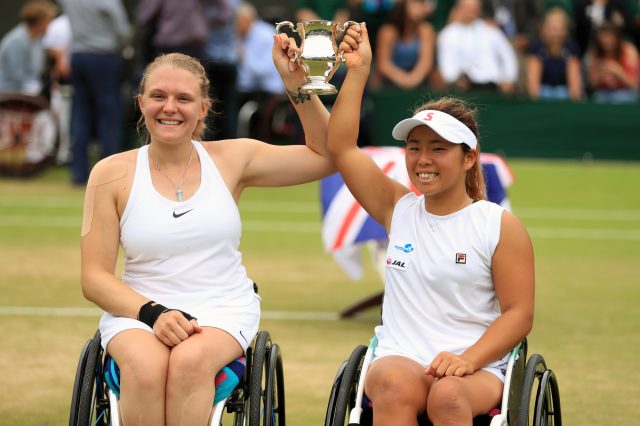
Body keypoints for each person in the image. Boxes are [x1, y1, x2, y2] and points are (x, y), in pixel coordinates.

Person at [79, 26, 347, 422]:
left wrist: (296, 83)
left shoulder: (232, 159)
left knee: (189, 363)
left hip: (221, 307)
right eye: (158, 96)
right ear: (141, 103)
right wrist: (152, 313)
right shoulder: (109, 173)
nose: (170, 107)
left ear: (203, 108)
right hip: (139, 311)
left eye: (183, 98)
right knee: (146, 368)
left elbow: (328, 154)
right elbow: (94, 278)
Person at [328, 23, 534, 424]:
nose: (423, 159)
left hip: (477, 368)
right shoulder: (397, 208)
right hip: (402, 357)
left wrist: (467, 359)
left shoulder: (498, 225)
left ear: (469, 157)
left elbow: (518, 314)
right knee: (389, 382)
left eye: (438, 149)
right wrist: (358, 72)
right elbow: (340, 148)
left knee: (448, 397)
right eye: (414, 147)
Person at [57, 0, 132, 185]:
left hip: (79, 57)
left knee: (81, 115)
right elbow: (122, 30)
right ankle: (110, 173)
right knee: (109, 115)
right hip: (104, 57)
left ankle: (79, 174)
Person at [436, 0, 519, 94]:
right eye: (468, 7)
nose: (472, 10)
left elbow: (508, 56)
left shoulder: (491, 30)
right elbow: (447, 64)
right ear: (460, 8)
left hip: (494, 88)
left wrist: (509, 79)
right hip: (463, 90)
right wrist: (453, 80)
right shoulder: (448, 33)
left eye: (475, 7)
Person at [371, 0, 437, 90]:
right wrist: (404, 79)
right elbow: (383, 65)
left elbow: (426, 63)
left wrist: (412, 79)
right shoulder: (387, 31)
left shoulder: (426, 30)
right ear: (403, 5)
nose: (420, 7)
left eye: (421, 3)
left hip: (419, 84)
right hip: (389, 84)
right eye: (415, 3)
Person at [0, 0, 57, 94]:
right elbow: (16, 77)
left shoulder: (38, 39)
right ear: (41, 21)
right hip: (10, 94)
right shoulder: (17, 41)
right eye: (49, 20)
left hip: (28, 93)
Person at [526, 7, 583, 101]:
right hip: (543, 97)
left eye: (559, 29)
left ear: (565, 31)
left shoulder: (571, 49)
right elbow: (533, 90)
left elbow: (575, 91)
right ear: (543, 29)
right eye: (552, 29)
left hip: (564, 98)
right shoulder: (536, 48)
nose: (556, 34)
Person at [586, 20, 639, 103]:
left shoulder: (629, 51)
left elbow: (635, 86)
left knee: (621, 97)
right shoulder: (594, 53)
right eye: (604, 36)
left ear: (617, 37)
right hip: (602, 93)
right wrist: (598, 76)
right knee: (598, 98)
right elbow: (591, 87)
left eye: (610, 36)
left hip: (625, 93)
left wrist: (618, 72)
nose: (607, 40)